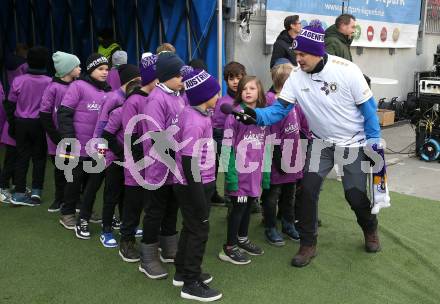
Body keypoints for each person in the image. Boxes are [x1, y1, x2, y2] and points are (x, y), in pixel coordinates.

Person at [232, 20, 388, 267]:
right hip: (321, 143)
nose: (298, 59)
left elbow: (369, 111)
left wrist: (373, 145)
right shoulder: (296, 76)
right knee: (307, 192)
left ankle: (370, 229)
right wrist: (255, 116)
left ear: (318, 52)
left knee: (355, 196)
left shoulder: (347, 70)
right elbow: (278, 111)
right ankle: (308, 244)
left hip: (354, 144)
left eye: (302, 54)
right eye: (296, 54)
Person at [172, 67, 222, 301]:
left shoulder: (199, 113)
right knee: (199, 230)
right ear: (204, 96)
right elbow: (190, 162)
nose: (219, 97)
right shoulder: (193, 121)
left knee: (191, 228)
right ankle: (190, 284)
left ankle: (182, 272)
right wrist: (200, 199)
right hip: (194, 184)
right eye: (216, 93)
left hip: (200, 182)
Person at [75, 64, 141, 240]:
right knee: (93, 185)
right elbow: (102, 125)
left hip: (116, 152)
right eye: (138, 80)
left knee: (116, 188)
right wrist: (100, 152)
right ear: (131, 81)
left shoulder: (130, 97)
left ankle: (119, 221)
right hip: (102, 149)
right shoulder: (113, 98)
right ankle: (82, 220)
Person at [138, 51, 185, 279]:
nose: (182, 79)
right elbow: (155, 135)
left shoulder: (179, 95)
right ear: (165, 76)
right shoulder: (156, 99)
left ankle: (169, 248)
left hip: (175, 167)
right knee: (154, 212)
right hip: (158, 167)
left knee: (171, 208)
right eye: (178, 75)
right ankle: (147, 256)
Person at [57, 53, 112, 231]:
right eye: (100, 69)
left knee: (93, 182)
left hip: (98, 147)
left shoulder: (109, 91)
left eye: (107, 69)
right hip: (77, 145)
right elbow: (64, 114)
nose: (105, 72)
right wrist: (69, 141)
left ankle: (85, 210)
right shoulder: (77, 86)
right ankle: (67, 213)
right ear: (91, 70)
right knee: (74, 180)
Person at [218, 76, 267, 265]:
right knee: (238, 208)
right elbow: (227, 147)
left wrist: (265, 173)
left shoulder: (263, 115)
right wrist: (230, 175)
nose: (248, 91)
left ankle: (242, 239)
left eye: (252, 88)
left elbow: (266, 145)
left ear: (259, 92)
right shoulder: (233, 116)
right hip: (239, 174)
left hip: (254, 174)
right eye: (244, 88)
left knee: (248, 207)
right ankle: (229, 247)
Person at [261, 61, 309, 246]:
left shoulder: (294, 103)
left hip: (293, 157)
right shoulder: (272, 103)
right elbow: (271, 136)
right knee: (272, 195)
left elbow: (302, 127)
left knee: (290, 195)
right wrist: (280, 160)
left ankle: (288, 224)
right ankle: (270, 227)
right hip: (277, 160)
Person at [118, 53, 158, 262]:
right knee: (133, 204)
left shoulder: (157, 98)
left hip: (155, 164)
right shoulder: (133, 101)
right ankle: (127, 241)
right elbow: (130, 133)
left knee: (149, 204)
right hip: (137, 164)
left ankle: (150, 240)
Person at [4, 46, 52, 206]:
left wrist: (12, 124)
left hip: (21, 124)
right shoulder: (49, 82)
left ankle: (19, 193)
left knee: (22, 157)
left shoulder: (19, 80)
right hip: (40, 124)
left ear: (27, 61)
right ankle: (37, 192)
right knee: (39, 158)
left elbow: (10, 105)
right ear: (45, 62)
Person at [40, 51, 81, 212]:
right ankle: (60, 198)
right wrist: (56, 138)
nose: (80, 68)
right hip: (57, 139)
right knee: (60, 169)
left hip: (74, 136)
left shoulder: (78, 86)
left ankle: (76, 199)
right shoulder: (52, 88)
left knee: (75, 170)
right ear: (67, 69)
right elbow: (44, 114)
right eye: (76, 66)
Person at [211, 62, 246, 206]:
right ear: (226, 81)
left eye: (238, 77)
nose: (235, 81)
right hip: (227, 145)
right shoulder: (222, 103)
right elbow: (217, 129)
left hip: (244, 144)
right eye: (231, 78)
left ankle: (250, 199)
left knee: (245, 173)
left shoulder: (248, 97)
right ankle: (231, 201)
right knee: (231, 174)